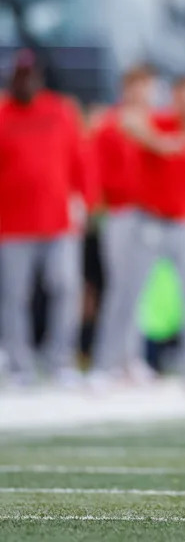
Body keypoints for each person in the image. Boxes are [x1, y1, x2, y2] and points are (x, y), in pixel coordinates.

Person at [114, 75, 185, 393]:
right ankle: (109, 366)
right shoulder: (158, 121)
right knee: (128, 293)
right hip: (149, 221)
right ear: (177, 98)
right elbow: (129, 123)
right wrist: (165, 141)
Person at [0, 50, 94, 386]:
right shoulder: (2, 113)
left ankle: (60, 359)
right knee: (14, 296)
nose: (25, 81)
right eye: (19, 76)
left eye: (30, 75)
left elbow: (79, 158)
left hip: (58, 219)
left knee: (66, 289)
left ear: (39, 77)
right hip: (11, 223)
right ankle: (19, 363)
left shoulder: (60, 110)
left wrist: (85, 198)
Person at [88, 65, 156, 386]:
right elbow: (96, 168)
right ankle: (109, 360)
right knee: (119, 288)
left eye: (147, 87)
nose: (143, 93)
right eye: (137, 86)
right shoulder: (110, 125)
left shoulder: (157, 123)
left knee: (138, 289)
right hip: (119, 211)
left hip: (149, 213)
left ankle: (132, 358)